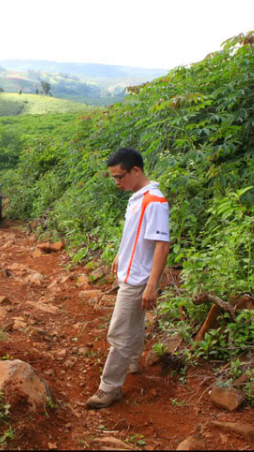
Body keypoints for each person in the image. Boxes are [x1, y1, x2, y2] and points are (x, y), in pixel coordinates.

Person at [85, 148, 170, 409]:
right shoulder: (137, 197)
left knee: (119, 331)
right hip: (130, 271)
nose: (117, 183)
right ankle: (132, 361)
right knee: (134, 322)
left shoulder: (154, 201)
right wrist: (120, 256)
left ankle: (109, 388)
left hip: (138, 278)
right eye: (113, 178)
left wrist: (152, 285)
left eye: (119, 177)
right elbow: (134, 235)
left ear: (136, 171)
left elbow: (162, 245)